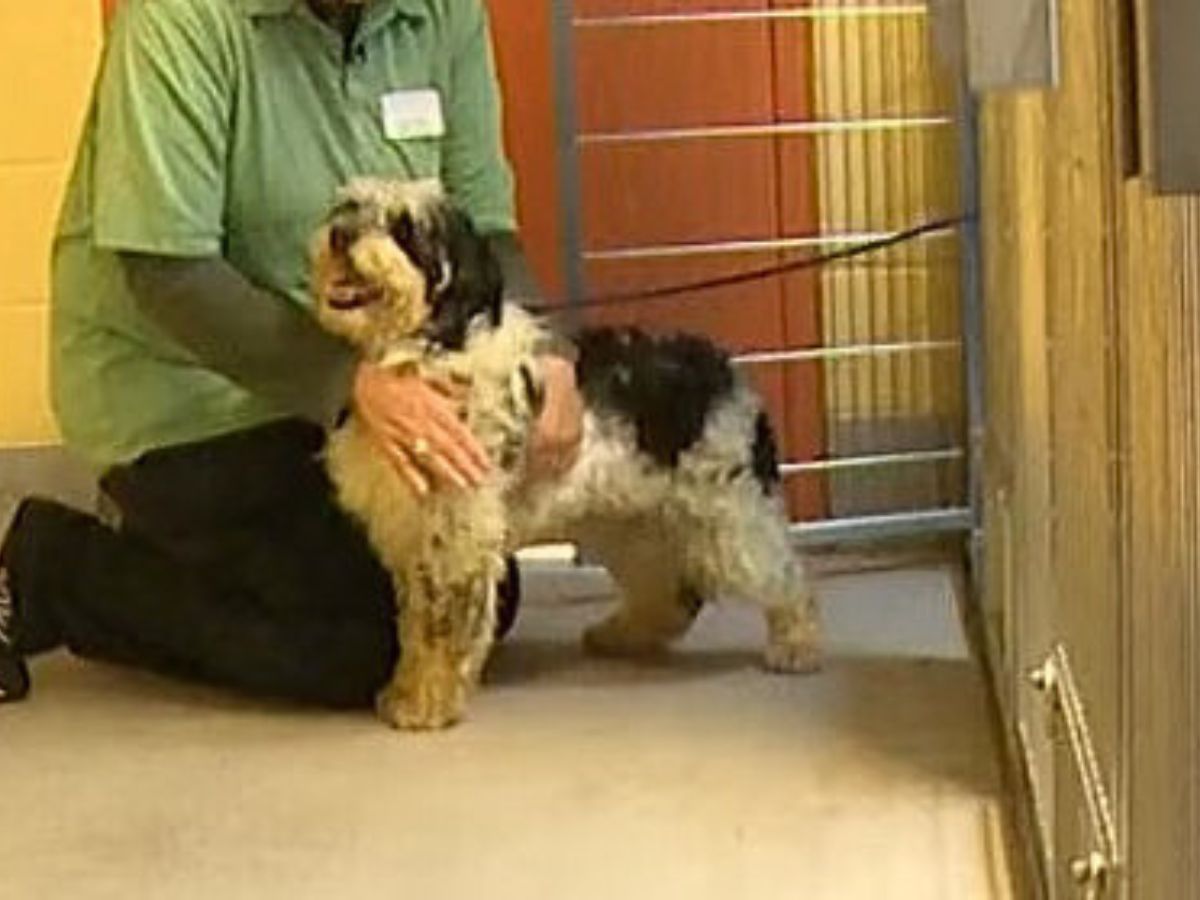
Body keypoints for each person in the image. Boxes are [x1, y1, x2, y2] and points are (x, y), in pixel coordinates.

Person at [0, 0, 583, 707]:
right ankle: (54, 565)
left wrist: (549, 356)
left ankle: (180, 550)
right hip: (187, 393)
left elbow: (485, 227)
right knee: (357, 641)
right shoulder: (178, 18)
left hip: (361, 391)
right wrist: (346, 383)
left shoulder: (445, 11)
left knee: (466, 580)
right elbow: (167, 272)